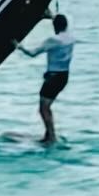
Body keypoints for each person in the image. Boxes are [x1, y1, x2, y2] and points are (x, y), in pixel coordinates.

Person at [15, 14, 75, 144]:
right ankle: (49, 134)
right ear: (66, 25)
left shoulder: (53, 40)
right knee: (47, 106)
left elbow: (32, 53)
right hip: (63, 77)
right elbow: (60, 24)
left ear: (55, 26)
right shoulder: (71, 38)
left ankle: (51, 136)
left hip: (53, 78)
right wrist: (52, 16)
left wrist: (18, 46)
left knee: (43, 108)